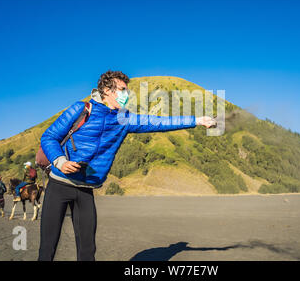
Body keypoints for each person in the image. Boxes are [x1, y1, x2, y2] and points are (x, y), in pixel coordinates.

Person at [38, 70, 216, 261]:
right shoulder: (81, 109)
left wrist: (197, 121)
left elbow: (158, 122)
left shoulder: (124, 119)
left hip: (85, 189)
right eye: (122, 90)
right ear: (107, 90)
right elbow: (49, 137)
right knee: (48, 248)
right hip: (59, 185)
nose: (126, 94)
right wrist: (60, 161)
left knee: (88, 251)